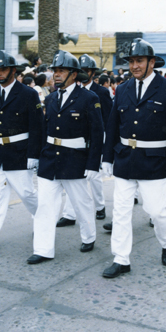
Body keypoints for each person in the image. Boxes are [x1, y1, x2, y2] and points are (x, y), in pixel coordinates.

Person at [101, 38, 166, 278]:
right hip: (124, 158)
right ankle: (121, 259)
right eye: (131, 61)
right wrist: (107, 157)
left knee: (157, 211)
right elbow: (113, 125)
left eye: (139, 61)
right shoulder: (123, 88)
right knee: (120, 211)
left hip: (155, 160)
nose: (134, 66)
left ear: (152, 62)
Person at [28, 50, 103, 264]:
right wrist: (37, 155)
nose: (56, 74)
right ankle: (43, 249)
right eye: (55, 71)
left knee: (82, 203)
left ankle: (89, 237)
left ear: (73, 74)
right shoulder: (51, 98)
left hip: (75, 159)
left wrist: (93, 163)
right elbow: (44, 130)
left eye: (61, 71)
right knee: (45, 206)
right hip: (50, 158)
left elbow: (97, 133)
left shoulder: (89, 98)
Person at [0, 50, 43, 254]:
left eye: (3, 69)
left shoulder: (28, 94)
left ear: (13, 70)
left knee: (27, 193)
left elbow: (37, 127)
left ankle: (43, 220)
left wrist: (33, 154)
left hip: (20, 152)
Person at [56, 54, 112, 229]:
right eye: (82, 70)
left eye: (87, 70)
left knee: (94, 176)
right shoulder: (70, 90)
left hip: (97, 135)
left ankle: (100, 205)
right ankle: (69, 214)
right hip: (76, 138)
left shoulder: (101, 92)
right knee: (74, 178)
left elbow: (108, 118)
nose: (84, 73)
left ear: (93, 72)